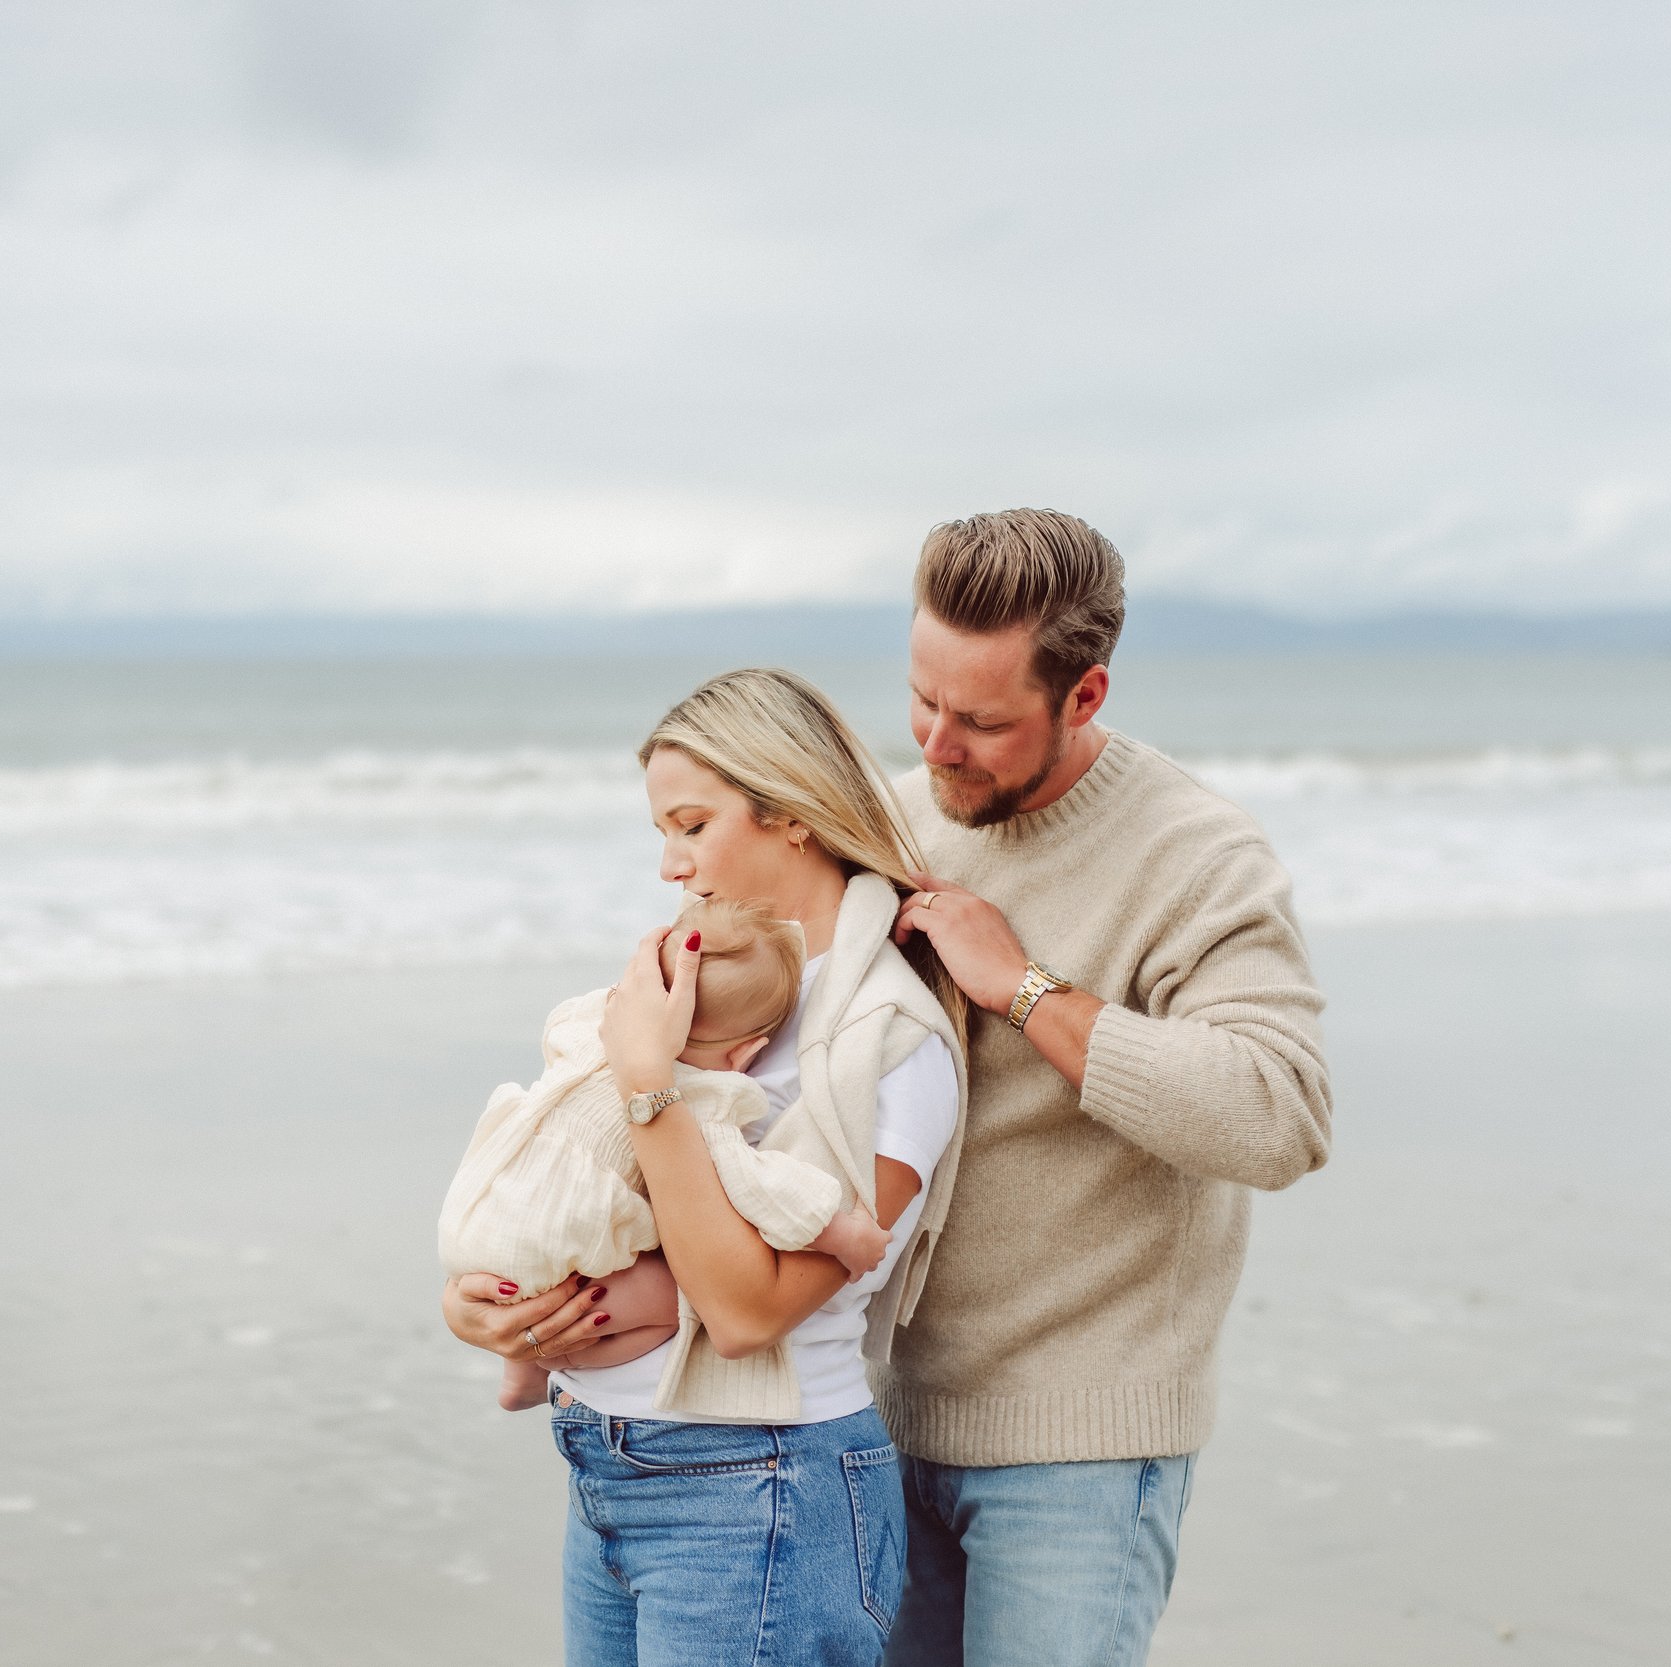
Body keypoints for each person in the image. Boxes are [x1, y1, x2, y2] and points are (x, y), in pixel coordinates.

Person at [877, 509, 1334, 1666]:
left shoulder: (1198, 856)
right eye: (922, 698)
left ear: (1084, 696)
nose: (937, 745)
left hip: (1081, 1442)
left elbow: (1277, 1111)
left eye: (981, 720)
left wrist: (1023, 988)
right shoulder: (885, 815)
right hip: (872, 1413)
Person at [440, 668, 969, 1666]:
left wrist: (651, 1079)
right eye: (660, 833)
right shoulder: (699, 981)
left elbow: (751, 1310)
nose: (669, 864)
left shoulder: (890, 1039)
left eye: (689, 824)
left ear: (793, 814)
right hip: (604, 1458)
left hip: (757, 1486)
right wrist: (490, 1305)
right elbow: (577, 1174)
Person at [437, 895, 893, 1413]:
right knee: (679, 1305)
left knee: (536, 1246)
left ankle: (517, 1375)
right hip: (555, 1255)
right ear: (746, 1054)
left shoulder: (587, 1029)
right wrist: (843, 1235)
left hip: (476, 1220)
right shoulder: (699, 1099)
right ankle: (544, 1370)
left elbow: (566, 1020)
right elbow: (758, 1187)